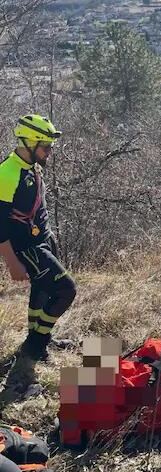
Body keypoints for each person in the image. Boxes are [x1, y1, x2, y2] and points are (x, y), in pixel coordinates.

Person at [0, 115, 76, 362]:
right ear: (28, 143)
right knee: (66, 290)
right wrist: (12, 262)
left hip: (42, 240)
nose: (50, 153)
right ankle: (36, 344)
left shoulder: (30, 165)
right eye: (46, 147)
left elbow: (35, 206)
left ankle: (37, 337)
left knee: (42, 289)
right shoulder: (7, 173)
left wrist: (49, 234)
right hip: (27, 247)